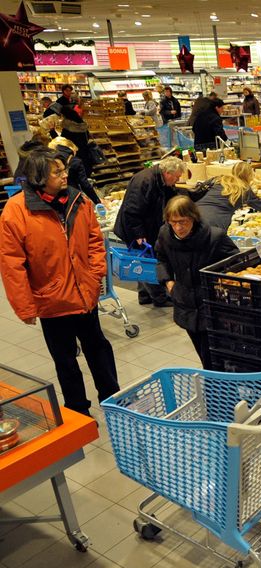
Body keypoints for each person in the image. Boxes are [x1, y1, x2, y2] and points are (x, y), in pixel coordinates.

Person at [0, 149, 119, 416]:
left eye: (63, 169)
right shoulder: (16, 211)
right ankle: (78, 410)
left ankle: (114, 400)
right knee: (66, 361)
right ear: (39, 177)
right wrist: (25, 307)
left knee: (99, 349)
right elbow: (11, 264)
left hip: (84, 294)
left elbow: (94, 240)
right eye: (58, 172)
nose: (65, 174)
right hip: (51, 302)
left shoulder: (79, 200)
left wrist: (95, 274)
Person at [155, 196, 239, 368]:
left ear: (193, 217)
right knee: (202, 352)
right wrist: (168, 282)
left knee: (215, 356)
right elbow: (161, 258)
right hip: (185, 303)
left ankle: (219, 388)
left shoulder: (215, 237)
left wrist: (221, 286)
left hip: (211, 305)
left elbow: (237, 263)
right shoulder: (165, 234)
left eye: (183, 222)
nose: (178, 227)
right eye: (173, 222)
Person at [114, 157, 187, 306]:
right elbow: (131, 211)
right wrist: (139, 234)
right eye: (177, 176)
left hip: (143, 227)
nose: (177, 180)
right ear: (167, 173)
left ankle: (144, 295)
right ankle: (159, 297)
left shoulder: (158, 179)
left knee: (142, 260)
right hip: (135, 229)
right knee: (151, 261)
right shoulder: (145, 181)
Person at [196, 161, 261, 229]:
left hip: (195, 214)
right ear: (249, 175)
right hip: (216, 220)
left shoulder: (219, 179)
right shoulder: (244, 189)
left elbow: (198, 190)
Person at [48, 137, 101, 204]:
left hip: (53, 197)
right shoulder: (75, 161)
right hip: (72, 197)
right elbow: (85, 184)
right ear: (70, 147)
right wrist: (97, 201)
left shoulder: (49, 160)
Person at [58, 104, 94, 177]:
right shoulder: (82, 124)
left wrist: (52, 132)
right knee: (85, 175)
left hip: (74, 156)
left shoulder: (67, 128)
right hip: (85, 154)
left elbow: (63, 142)